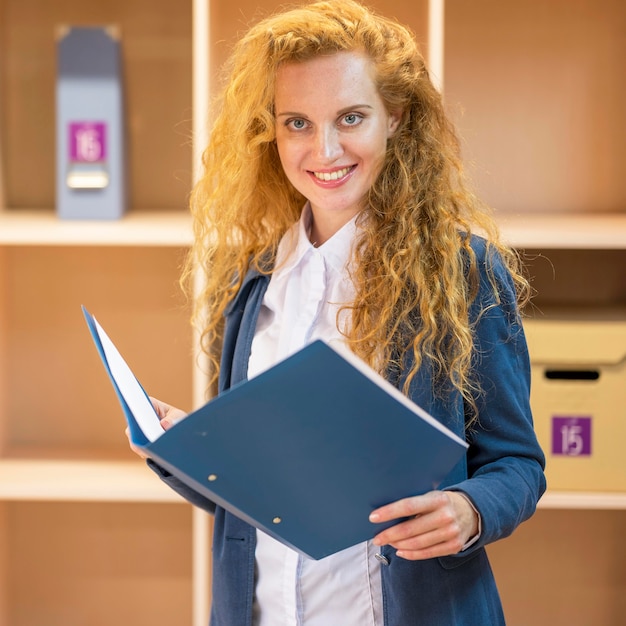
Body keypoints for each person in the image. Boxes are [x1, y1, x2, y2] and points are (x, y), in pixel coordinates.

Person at [130, 1, 546, 624]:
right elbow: (258, 496)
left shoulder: (462, 273)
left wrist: (470, 510)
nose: (323, 149)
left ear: (395, 118)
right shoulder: (253, 283)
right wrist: (186, 447)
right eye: (297, 123)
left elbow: (517, 464)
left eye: (351, 117)